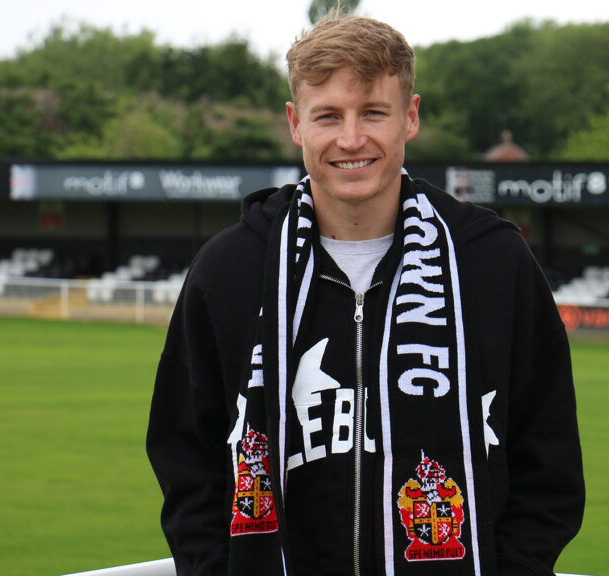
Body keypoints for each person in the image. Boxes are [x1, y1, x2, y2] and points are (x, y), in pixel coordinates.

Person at [147, 11, 584, 576]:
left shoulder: (491, 262)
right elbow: (187, 459)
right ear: (295, 123)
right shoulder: (230, 268)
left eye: (373, 112)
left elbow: (547, 459)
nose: (351, 139)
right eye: (328, 116)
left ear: (411, 116)